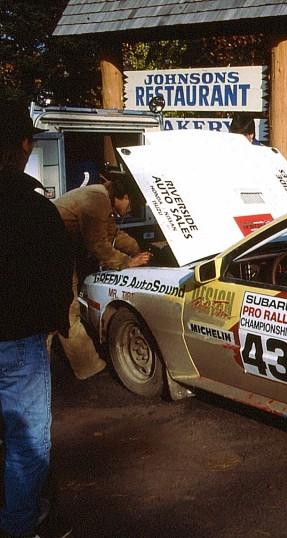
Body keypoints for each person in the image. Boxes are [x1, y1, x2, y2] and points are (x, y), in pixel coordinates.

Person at [0, 102, 74, 538]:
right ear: (23, 147)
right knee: (26, 444)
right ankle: (19, 525)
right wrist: (52, 326)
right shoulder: (37, 211)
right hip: (19, 343)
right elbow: (57, 279)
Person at [53, 176, 152, 380]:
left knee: (57, 311)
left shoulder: (100, 196)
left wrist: (136, 249)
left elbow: (111, 233)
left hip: (54, 251)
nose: (131, 210)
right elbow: (98, 245)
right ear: (123, 196)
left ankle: (85, 365)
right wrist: (127, 262)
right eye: (132, 204)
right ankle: (87, 366)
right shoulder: (97, 200)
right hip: (49, 253)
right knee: (66, 311)